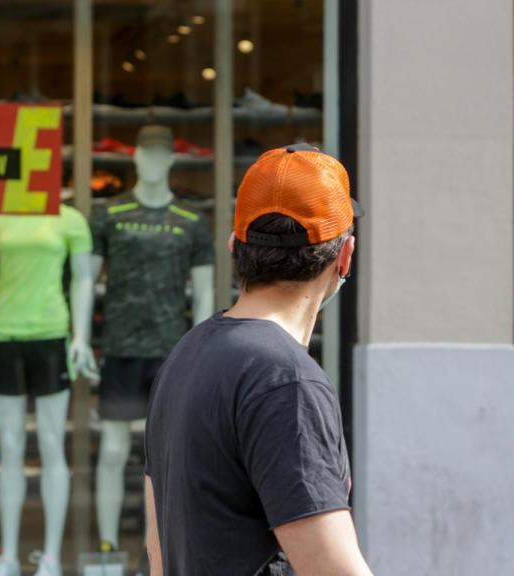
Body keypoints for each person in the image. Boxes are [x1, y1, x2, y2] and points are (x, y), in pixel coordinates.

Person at [143, 144, 372, 576]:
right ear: (344, 257)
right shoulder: (286, 381)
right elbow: (332, 569)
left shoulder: (187, 353)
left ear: (234, 246)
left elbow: (158, 553)